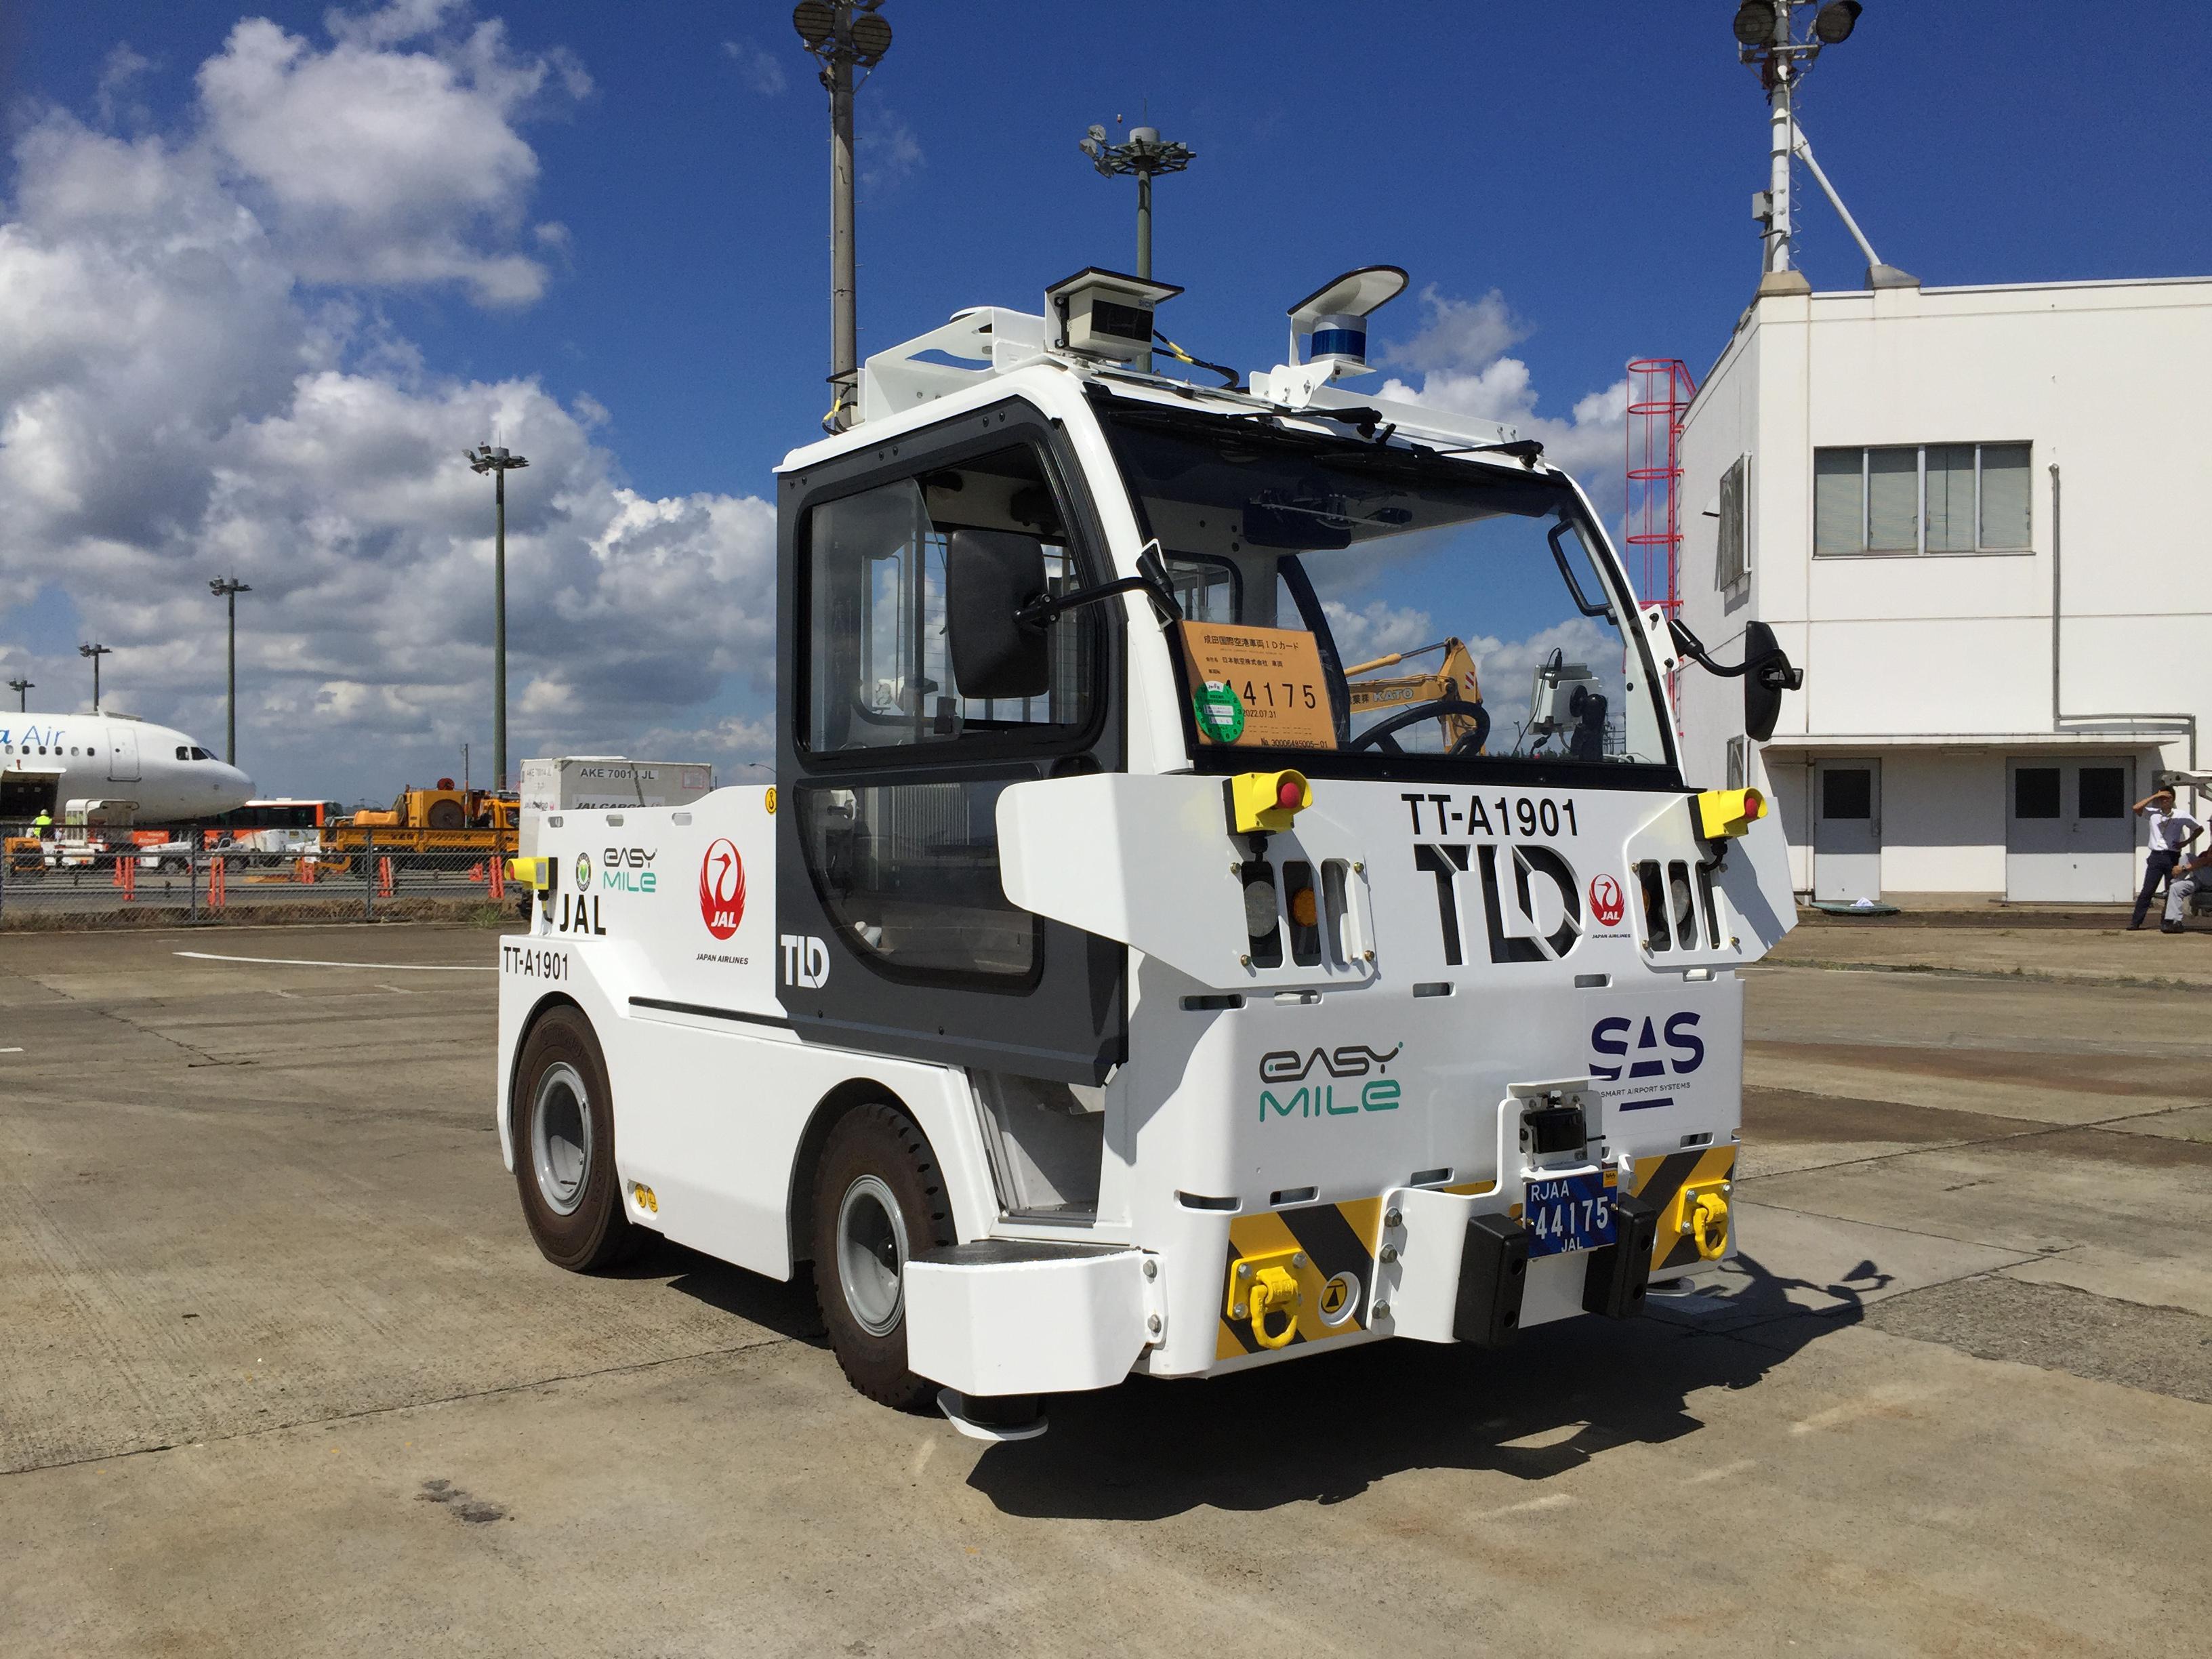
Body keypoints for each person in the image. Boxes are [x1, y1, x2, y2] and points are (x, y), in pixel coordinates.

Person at [2133, 786, 2201, 930]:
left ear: (2173, 799)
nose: (2164, 800)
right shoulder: (2153, 813)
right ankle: (2136, 921)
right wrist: (2154, 796)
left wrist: (2186, 842)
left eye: (2168, 798)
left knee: (2171, 890)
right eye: (2162, 798)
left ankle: (2168, 921)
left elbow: (2199, 828)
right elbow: (2136, 808)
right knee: (2148, 890)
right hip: (2156, 856)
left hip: (2172, 856)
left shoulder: (2181, 814)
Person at [2162, 844, 2211, 933]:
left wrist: (2182, 868)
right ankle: (2174, 922)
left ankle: (2174, 881)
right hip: (2201, 879)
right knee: (2176, 888)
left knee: (2188, 857)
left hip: (2209, 879)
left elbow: (2205, 860)